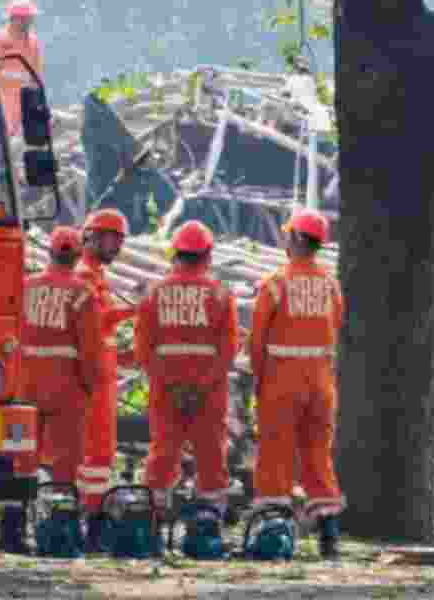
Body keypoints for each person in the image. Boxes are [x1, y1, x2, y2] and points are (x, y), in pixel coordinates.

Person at [0, 226, 102, 555]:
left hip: (24, 384)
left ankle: (10, 532)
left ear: (50, 253)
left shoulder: (24, 288)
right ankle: (57, 531)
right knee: (64, 460)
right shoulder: (82, 293)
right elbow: (90, 348)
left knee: (20, 456)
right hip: (66, 386)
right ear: (78, 254)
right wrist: (89, 384)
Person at [133, 221, 239, 543]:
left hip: (166, 390)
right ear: (207, 256)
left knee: (163, 451)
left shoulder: (154, 293)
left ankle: (151, 523)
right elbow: (228, 350)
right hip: (209, 393)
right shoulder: (221, 295)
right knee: (211, 454)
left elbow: (142, 347)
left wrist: (168, 383)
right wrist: (202, 385)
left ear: (175, 254)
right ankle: (208, 527)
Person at [248, 208, 345, 558]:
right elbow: (335, 328)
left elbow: (257, 341)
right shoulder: (331, 285)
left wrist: (259, 382)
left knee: (275, 453)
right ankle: (329, 533)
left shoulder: (275, 285)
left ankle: (274, 532)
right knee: (317, 455)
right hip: (320, 382)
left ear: (296, 239)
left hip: (281, 379)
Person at [75, 208, 135, 550]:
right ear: (90, 238)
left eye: (120, 240)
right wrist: (137, 310)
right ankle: (92, 524)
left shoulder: (96, 275)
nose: (117, 246)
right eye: (111, 238)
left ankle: (90, 520)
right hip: (94, 379)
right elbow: (98, 324)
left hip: (103, 374)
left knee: (99, 454)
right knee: (94, 454)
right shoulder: (85, 276)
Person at [0, 0, 44, 140]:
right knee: (2, 137)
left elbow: (37, 75)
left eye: (30, 18)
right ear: (15, 19)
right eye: (27, 18)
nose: (30, 22)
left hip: (26, 101)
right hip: (1, 99)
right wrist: (19, 77)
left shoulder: (34, 41)